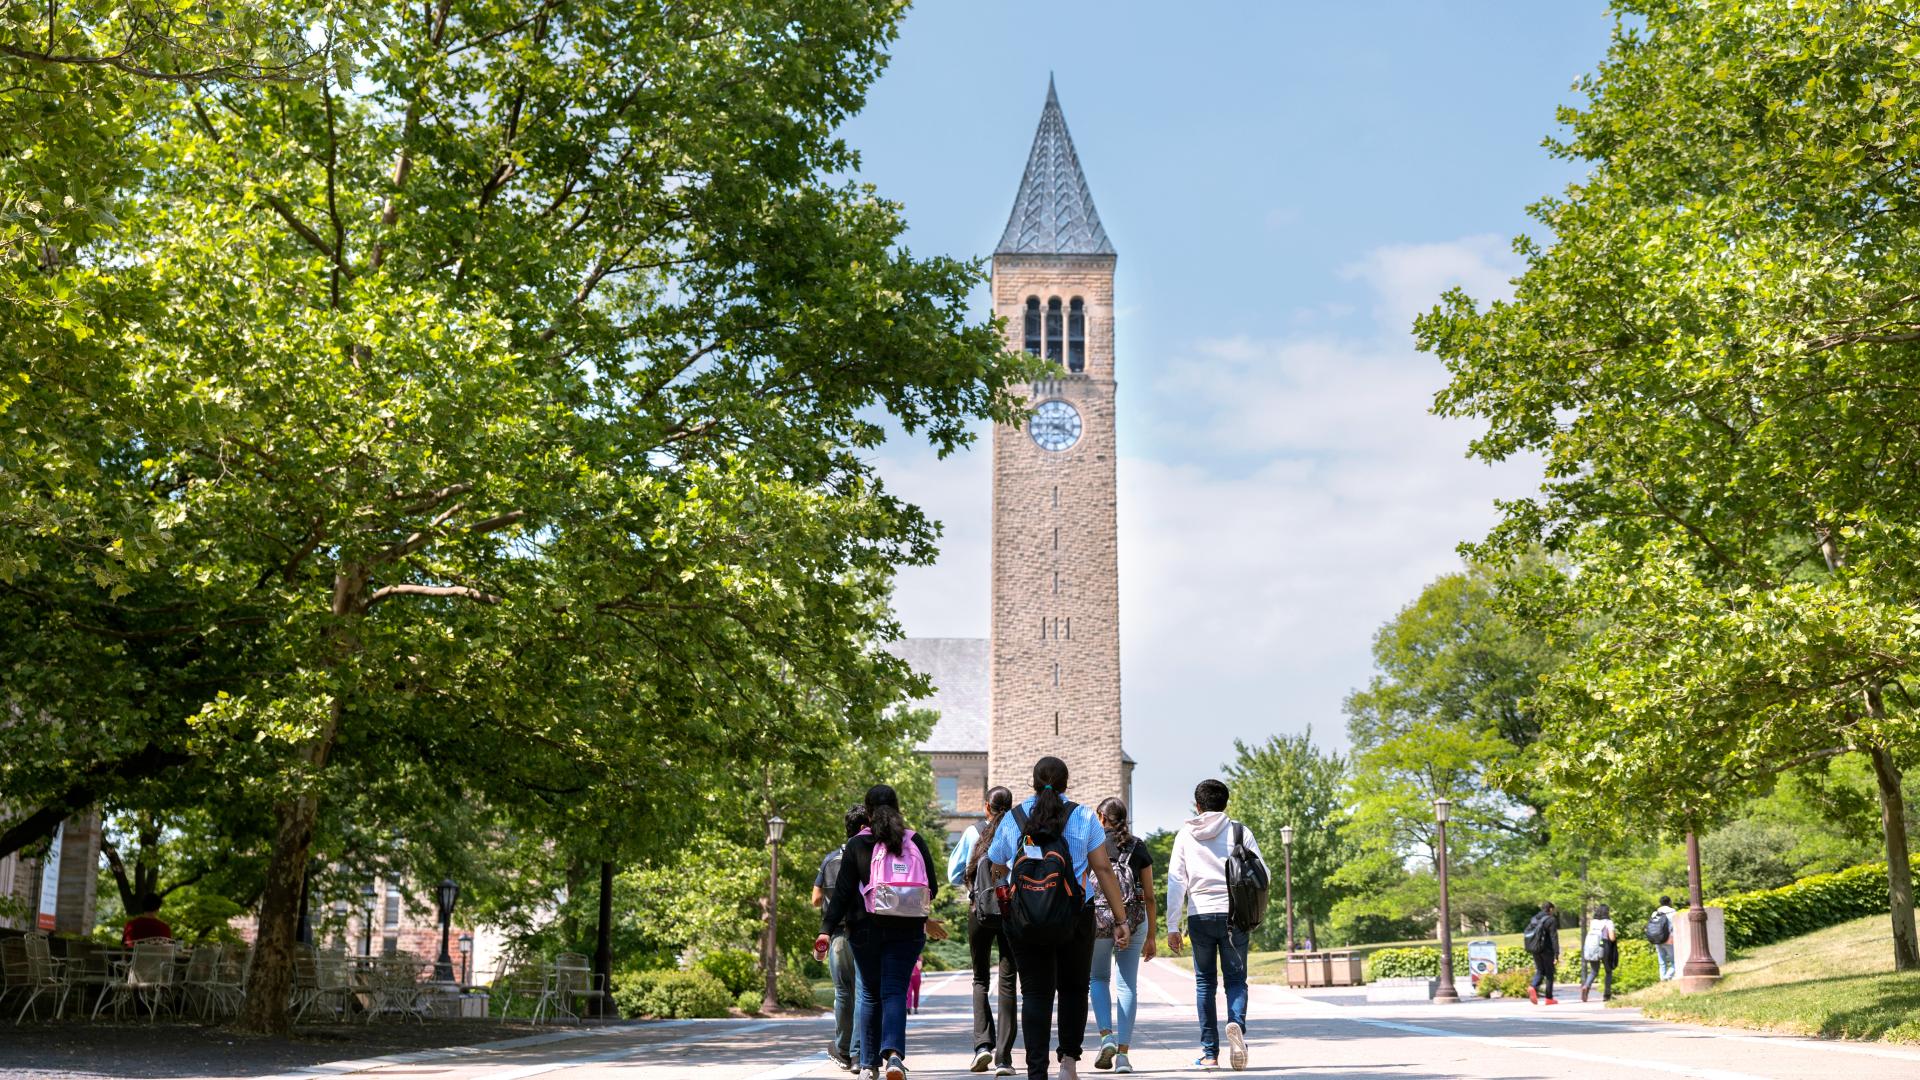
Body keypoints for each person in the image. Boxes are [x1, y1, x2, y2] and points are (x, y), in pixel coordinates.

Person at [985, 756, 1134, 1080]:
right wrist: (1121, 919)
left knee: (1035, 993)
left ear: (1033, 783)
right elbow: (1103, 869)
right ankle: (1068, 1062)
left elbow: (996, 861)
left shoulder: (1014, 818)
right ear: (1067, 784)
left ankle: (1036, 1070)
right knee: (1073, 989)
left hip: (1026, 918)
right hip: (1076, 915)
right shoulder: (1082, 816)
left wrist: (1004, 885)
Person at [817, 785, 949, 1080]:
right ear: (897, 806)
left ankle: (866, 1065)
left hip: (865, 928)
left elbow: (841, 893)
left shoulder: (857, 845)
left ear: (868, 811)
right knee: (894, 992)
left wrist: (826, 929)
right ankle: (893, 1058)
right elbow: (933, 889)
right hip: (907, 928)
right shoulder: (913, 839)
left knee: (870, 994)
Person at [1164, 778, 1262, 1072]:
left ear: (1197, 805)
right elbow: (1262, 873)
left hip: (1199, 915)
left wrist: (1172, 925)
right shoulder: (1240, 831)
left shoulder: (1185, 834)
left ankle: (1210, 1054)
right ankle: (1236, 1024)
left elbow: (1176, 881)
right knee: (1235, 979)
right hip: (1234, 915)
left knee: (1205, 983)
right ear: (1225, 803)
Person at [949, 786, 1019, 1076]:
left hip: (978, 911)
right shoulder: (1018, 835)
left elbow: (953, 873)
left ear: (986, 807)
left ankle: (982, 1047)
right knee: (1008, 982)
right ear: (1011, 808)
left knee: (979, 979)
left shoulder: (971, 832)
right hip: (1010, 912)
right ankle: (1004, 1058)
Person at [1090, 797, 1155, 1075]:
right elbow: (1149, 896)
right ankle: (1124, 1056)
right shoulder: (1138, 846)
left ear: (1101, 817)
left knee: (1098, 978)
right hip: (1133, 919)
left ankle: (1106, 1038)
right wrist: (1152, 935)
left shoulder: (1092, 844)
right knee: (1127, 985)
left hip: (1098, 919)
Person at [814, 805, 870, 1071]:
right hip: (863, 932)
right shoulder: (869, 856)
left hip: (836, 935)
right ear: (863, 828)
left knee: (842, 993)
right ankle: (859, 1054)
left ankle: (843, 1049)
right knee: (862, 993)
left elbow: (815, 899)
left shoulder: (829, 860)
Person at [1522, 901, 1561, 1005]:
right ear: (1551, 909)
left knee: (1540, 970)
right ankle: (1549, 998)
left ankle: (1533, 986)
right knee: (1549, 973)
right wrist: (1557, 953)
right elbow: (1554, 937)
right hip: (1547, 950)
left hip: (1535, 948)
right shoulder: (1551, 920)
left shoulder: (1534, 918)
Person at [1581, 903, 1618, 1002]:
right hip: (1604, 947)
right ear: (1607, 912)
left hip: (1592, 947)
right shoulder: (1608, 922)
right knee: (1608, 971)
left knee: (1594, 971)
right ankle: (1607, 995)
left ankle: (1586, 986)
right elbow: (1612, 938)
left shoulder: (1593, 922)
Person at [1648, 895, 1678, 981]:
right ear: (1669, 902)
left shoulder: (1655, 913)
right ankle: (1667, 976)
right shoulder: (1673, 913)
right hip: (1669, 939)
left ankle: (1662, 978)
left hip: (1657, 939)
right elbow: (1675, 927)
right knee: (1675, 961)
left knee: (1662, 961)